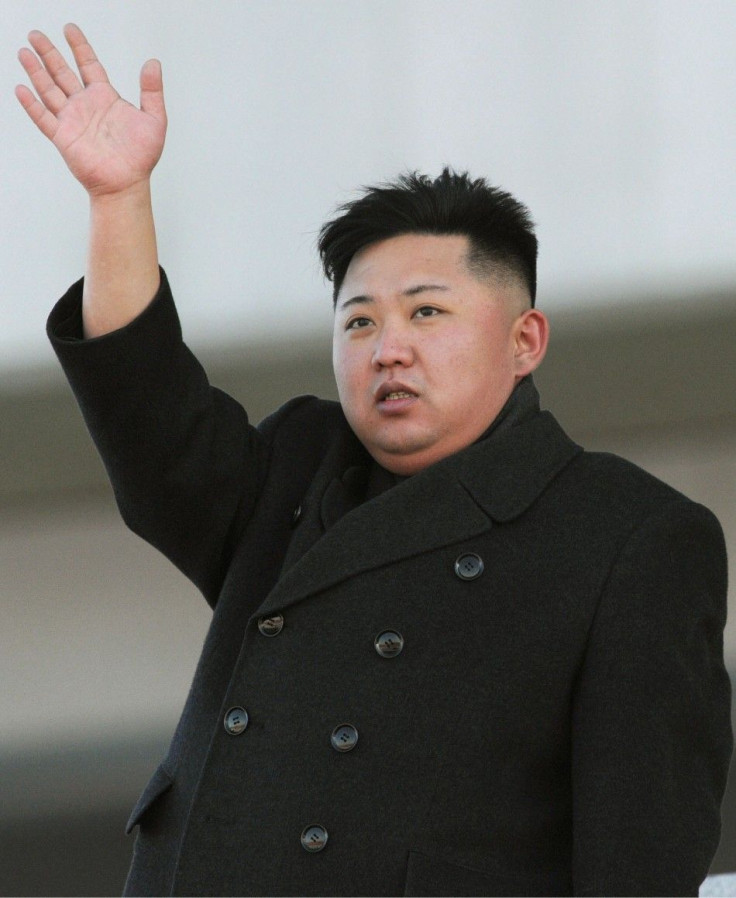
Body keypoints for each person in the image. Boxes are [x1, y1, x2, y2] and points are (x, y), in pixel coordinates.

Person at [17, 24, 732, 898]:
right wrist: (118, 199)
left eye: (426, 314)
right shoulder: (292, 467)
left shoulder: (629, 536)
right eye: (359, 322)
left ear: (525, 340)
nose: (387, 348)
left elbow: (641, 857)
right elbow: (149, 419)